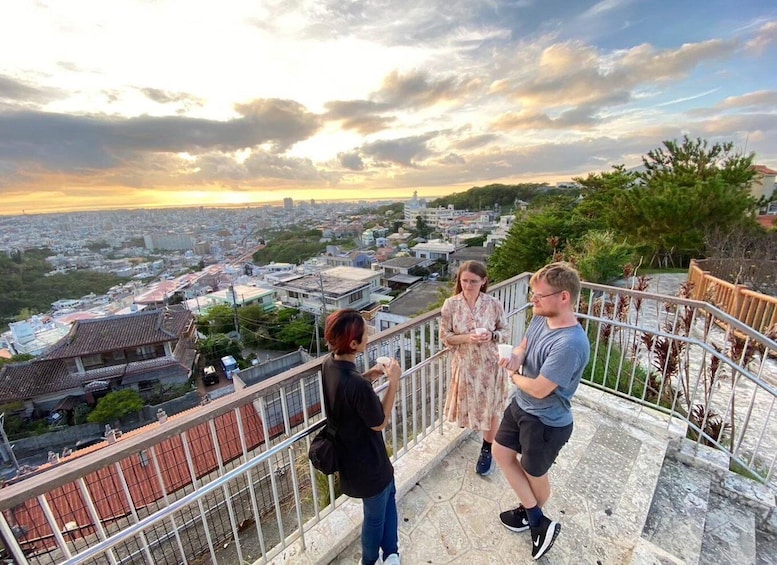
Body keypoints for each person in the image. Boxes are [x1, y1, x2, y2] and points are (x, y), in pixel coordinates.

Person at [493, 262, 590, 560]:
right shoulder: (541, 317)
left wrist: (512, 375)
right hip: (521, 406)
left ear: (564, 297)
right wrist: (516, 357)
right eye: (532, 295)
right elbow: (524, 344)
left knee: (535, 474)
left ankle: (533, 518)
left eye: (539, 296)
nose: (532, 301)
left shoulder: (570, 343)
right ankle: (536, 519)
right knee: (501, 452)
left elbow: (538, 388)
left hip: (546, 421)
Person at [322, 308, 402, 565]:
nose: (368, 338)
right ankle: (370, 561)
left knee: (389, 497)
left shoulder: (329, 365)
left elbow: (351, 389)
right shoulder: (355, 384)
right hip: (369, 460)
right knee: (375, 517)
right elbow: (379, 422)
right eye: (364, 336)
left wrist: (373, 374)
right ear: (353, 343)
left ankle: (391, 553)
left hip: (351, 454)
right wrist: (394, 383)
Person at [440, 260, 509, 475]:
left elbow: (505, 331)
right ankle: (485, 440)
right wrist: (467, 337)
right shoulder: (450, 304)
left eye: (473, 281)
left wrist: (492, 335)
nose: (468, 285)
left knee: (491, 408)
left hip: (490, 364)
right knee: (470, 407)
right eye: (464, 281)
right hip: (465, 365)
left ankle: (487, 448)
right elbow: (445, 337)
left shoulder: (493, 304)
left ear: (484, 281)